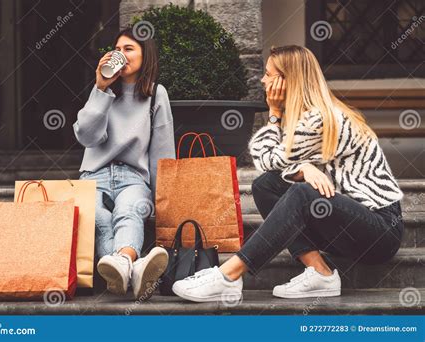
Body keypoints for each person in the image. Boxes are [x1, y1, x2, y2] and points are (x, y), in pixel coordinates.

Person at [172, 45, 404, 302]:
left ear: (288, 80)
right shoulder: (303, 117)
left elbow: (266, 158)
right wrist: (301, 168)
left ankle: (230, 274)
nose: (262, 80)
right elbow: (278, 166)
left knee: (302, 192)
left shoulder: (319, 119)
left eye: (269, 74)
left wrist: (273, 113)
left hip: (379, 231)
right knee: (265, 186)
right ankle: (320, 271)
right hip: (347, 224)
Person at [73, 27, 175, 300]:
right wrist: (100, 89)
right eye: (117, 50)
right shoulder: (103, 92)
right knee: (98, 217)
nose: (121, 55)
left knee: (129, 210)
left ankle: (122, 264)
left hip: (133, 176)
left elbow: (162, 150)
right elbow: (87, 136)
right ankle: (132, 265)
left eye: (128, 49)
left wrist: (163, 198)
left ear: (146, 56)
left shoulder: (156, 94)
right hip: (94, 175)